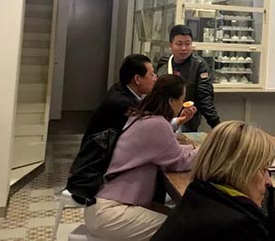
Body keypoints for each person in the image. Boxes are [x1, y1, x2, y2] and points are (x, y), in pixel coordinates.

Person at [84, 75, 199, 241]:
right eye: (181, 100)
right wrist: (205, 152)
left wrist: (192, 148)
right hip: (112, 210)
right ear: (171, 101)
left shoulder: (142, 116)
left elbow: (166, 149)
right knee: (182, 230)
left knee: (182, 219)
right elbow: (179, 161)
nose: (182, 104)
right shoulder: (157, 124)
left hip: (103, 203)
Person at [151, 121, 275, 241]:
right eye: (263, 170)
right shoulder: (237, 229)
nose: (268, 181)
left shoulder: (198, 197)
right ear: (238, 170)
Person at [81, 54, 157, 144]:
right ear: (137, 79)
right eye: (151, 74)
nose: (155, 79)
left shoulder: (121, 89)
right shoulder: (122, 104)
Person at [157, 25, 221, 131]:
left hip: (187, 121)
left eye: (187, 44)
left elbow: (205, 98)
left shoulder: (199, 65)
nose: (184, 48)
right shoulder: (164, 63)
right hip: (162, 118)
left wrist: (216, 125)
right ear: (170, 45)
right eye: (179, 44)